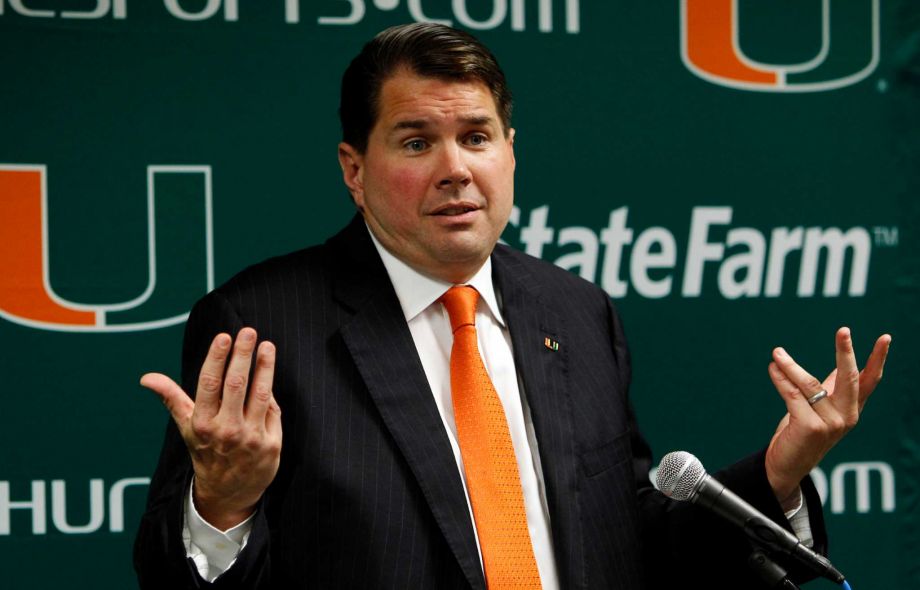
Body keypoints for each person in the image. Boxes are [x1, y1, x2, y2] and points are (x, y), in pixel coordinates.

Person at [134, 23, 891, 589]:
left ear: (512, 152)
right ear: (354, 170)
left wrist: (780, 472)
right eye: (416, 142)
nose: (456, 169)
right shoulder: (262, 325)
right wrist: (222, 507)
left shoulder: (576, 312)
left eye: (476, 137)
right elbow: (177, 578)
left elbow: (631, 544)